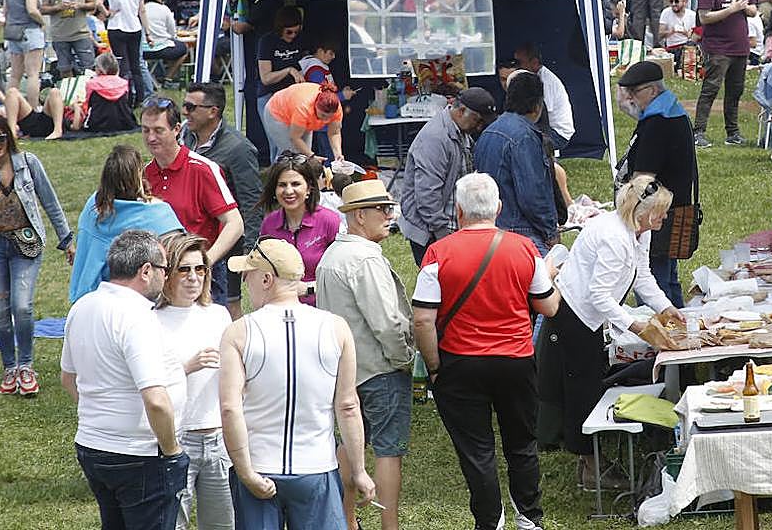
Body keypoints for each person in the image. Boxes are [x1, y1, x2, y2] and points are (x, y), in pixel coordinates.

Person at [413, 173, 558, 530]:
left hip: (461, 363)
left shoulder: (437, 253)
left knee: (476, 450)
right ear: (498, 208)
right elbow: (549, 307)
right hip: (515, 360)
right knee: (522, 443)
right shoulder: (524, 248)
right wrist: (551, 274)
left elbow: (422, 320)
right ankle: (529, 518)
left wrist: (434, 366)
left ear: (458, 210)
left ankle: (490, 521)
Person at [220, 240, 376, 529]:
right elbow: (348, 405)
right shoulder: (336, 328)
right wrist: (359, 470)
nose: (245, 282)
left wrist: (245, 472)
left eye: (248, 274)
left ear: (266, 279)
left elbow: (230, 409)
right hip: (316, 468)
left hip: (260, 464)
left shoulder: (238, 332)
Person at [538, 175, 682, 486]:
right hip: (573, 316)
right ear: (643, 213)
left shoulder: (638, 231)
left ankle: (590, 460)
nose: (665, 217)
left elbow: (642, 275)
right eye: (661, 212)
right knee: (582, 388)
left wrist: (666, 307)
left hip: (587, 314)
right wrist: (637, 325)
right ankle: (590, 467)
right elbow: (598, 295)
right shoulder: (615, 238)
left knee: (588, 382)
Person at [61, 229, 189, 529]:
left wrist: (104, 414)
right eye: (164, 269)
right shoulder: (137, 317)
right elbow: (156, 399)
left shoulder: (82, 307)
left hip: (93, 446)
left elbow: (68, 379)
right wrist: (172, 452)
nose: (166, 276)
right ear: (146, 271)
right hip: (139, 453)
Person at [316, 180, 414, 530]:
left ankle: (346, 520)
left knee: (348, 446)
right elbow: (387, 324)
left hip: (344, 374)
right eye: (383, 210)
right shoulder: (365, 259)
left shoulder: (331, 256)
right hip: (380, 370)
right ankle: (390, 526)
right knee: (389, 451)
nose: (390, 216)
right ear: (359, 216)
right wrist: (404, 359)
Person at [0, 113, 72, 394]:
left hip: (25, 244)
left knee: (22, 306)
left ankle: (26, 366)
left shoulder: (28, 163)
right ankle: (9, 368)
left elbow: (50, 202)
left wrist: (67, 240)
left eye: (1, 137)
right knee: (0, 308)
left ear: (8, 136)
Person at [154, 232, 234, 530]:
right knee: (172, 523)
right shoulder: (151, 319)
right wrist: (187, 367)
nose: (193, 278)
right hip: (175, 439)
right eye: (184, 270)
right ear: (167, 275)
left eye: (200, 269)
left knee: (223, 524)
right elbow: (146, 385)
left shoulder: (218, 315)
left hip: (218, 438)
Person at [142, 96, 244, 308]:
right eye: (145, 130)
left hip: (200, 278)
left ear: (177, 129)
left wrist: (205, 262)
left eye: (158, 130)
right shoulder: (143, 175)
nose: (151, 137)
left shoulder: (202, 169)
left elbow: (234, 223)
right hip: (158, 277)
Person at [614, 61, 697, 307]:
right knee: (669, 280)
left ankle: (661, 336)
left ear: (652, 91)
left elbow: (642, 180)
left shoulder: (657, 124)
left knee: (654, 283)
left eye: (634, 93)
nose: (630, 100)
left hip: (655, 216)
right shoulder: (674, 114)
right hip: (676, 210)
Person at [181, 82, 263, 318]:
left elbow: (251, 202)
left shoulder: (238, 149)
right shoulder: (186, 138)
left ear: (213, 111)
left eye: (190, 107)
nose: (185, 112)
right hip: (191, 236)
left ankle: (236, 352)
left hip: (226, 244)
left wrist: (248, 251)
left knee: (227, 305)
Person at [71, 144, 181, 303]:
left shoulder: (92, 207)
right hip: (136, 305)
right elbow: (178, 257)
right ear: (139, 177)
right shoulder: (159, 215)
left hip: (85, 299)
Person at [398, 87, 496, 266]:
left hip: (450, 226)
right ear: (460, 111)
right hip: (431, 231)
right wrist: (443, 236)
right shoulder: (435, 139)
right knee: (439, 287)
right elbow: (427, 195)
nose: (480, 126)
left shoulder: (461, 131)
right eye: (478, 120)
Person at [473, 72, 558, 255]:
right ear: (537, 105)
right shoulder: (525, 137)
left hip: (490, 229)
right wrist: (550, 232)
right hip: (520, 232)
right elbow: (532, 195)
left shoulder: (488, 132)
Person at [693, 0, 757, 147]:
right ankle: (699, 132)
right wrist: (731, 9)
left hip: (740, 46)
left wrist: (745, 9)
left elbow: (754, 10)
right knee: (710, 89)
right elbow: (704, 17)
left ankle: (733, 132)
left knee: (735, 91)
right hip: (718, 47)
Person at [257, 154, 342, 305]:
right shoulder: (268, 224)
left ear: (309, 188)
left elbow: (343, 275)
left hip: (323, 309)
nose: (288, 191)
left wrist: (309, 288)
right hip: (280, 311)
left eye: (295, 184)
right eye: (282, 185)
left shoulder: (330, 221)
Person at [95, 0, 149, 105]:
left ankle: (126, 97)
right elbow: (142, 10)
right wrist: (149, 32)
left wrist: (107, 13)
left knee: (122, 66)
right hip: (135, 28)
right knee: (136, 65)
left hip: (117, 28)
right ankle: (140, 97)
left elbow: (98, 1)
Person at [4, 0, 48, 113]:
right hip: (30, 30)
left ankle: (10, 108)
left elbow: (5, 11)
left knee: (15, 75)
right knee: (33, 74)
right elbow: (32, 9)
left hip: (13, 32)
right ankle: (33, 109)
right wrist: (42, 22)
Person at [262, 81, 345, 163]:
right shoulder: (304, 108)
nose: (326, 120)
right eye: (323, 115)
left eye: (330, 117)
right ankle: (279, 173)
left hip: (301, 117)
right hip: (277, 113)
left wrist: (338, 154)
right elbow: (295, 137)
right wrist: (311, 156)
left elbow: (334, 133)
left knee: (304, 158)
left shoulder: (336, 108)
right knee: (294, 157)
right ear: (316, 106)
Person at [256, 5, 305, 135]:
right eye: (289, 32)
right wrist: (289, 70)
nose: (293, 35)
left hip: (293, 96)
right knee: (278, 141)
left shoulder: (301, 40)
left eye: (296, 31)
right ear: (280, 28)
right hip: (270, 95)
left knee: (296, 139)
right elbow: (266, 78)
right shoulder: (267, 41)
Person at [72, 52, 136, 133]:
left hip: (97, 123)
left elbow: (87, 105)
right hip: (124, 121)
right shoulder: (124, 82)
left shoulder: (92, 83)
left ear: (99, 68)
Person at [143, 0, 189, 82]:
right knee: (184, 48)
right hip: (160, 48)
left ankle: (158, 76)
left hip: (142, 50)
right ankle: (168, 77)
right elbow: (172, 32)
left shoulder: (139, 9)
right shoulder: (163, 9)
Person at [658, 0, 698, 72]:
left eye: (676, 2)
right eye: (671, 1)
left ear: (685, 2)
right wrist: (671, 31)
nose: (673, 4)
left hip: (687, 48)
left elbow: (696, 37)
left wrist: (684, 32)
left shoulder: (692, 15)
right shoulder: (666, 12)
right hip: (671, 48)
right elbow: (660, 35)